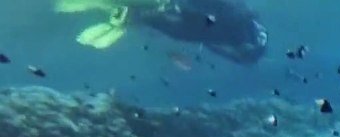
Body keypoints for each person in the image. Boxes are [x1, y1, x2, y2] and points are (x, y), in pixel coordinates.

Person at [56, 0, 268, 65]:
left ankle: (139, 13)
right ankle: (138, 15)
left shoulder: (248, 31)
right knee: (175, 23)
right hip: (206, 24)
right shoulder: (247, 38)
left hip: (205, 22)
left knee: (176, 21)